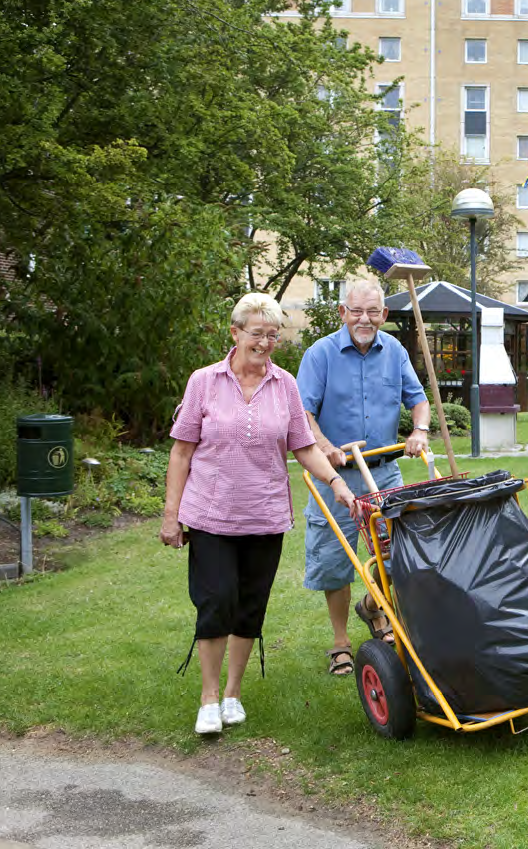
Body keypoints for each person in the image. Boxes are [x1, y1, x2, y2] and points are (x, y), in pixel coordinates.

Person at [161, 293, 357, 735]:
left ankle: (233, 694)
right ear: (235, 333)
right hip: (210, 515)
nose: (265, 343)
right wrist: (171, 514)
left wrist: (337, 484)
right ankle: (208, 698)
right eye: (257, 333)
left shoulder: (284, 384)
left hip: (264, 516)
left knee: (250, 606)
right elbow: (181, 451)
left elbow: (303, 445)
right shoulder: (204, 382)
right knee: (215, 602)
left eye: (273, 335)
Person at [297, 279, 430, 676]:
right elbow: (303, 414)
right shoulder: (320, 354)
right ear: (342, 312)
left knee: (397, 556)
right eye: (356, 311)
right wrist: (323, 445)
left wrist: (419, 431)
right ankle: (340, 643)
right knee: (335, 561)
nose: (364, 319)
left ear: (384, 315)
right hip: (334, 475)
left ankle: (374, 609)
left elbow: (418, 400)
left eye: (373, 312)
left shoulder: (395, 352)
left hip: (384, 471)